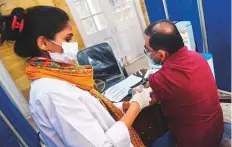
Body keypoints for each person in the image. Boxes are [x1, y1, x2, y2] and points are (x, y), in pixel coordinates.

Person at [0, 6, 152, 147]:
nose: (74, 43)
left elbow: (91, 112)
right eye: (67, 39)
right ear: (44, 43)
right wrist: (135, 107)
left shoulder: (61, 75)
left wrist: (124, 106)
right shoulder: (52, 93)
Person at [143, 20, 224, 147]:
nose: (149, 54)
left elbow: (148, 99)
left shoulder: (159, 79)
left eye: (148, 50)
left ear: (161, 54)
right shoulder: (198, 58)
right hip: (216, 131)